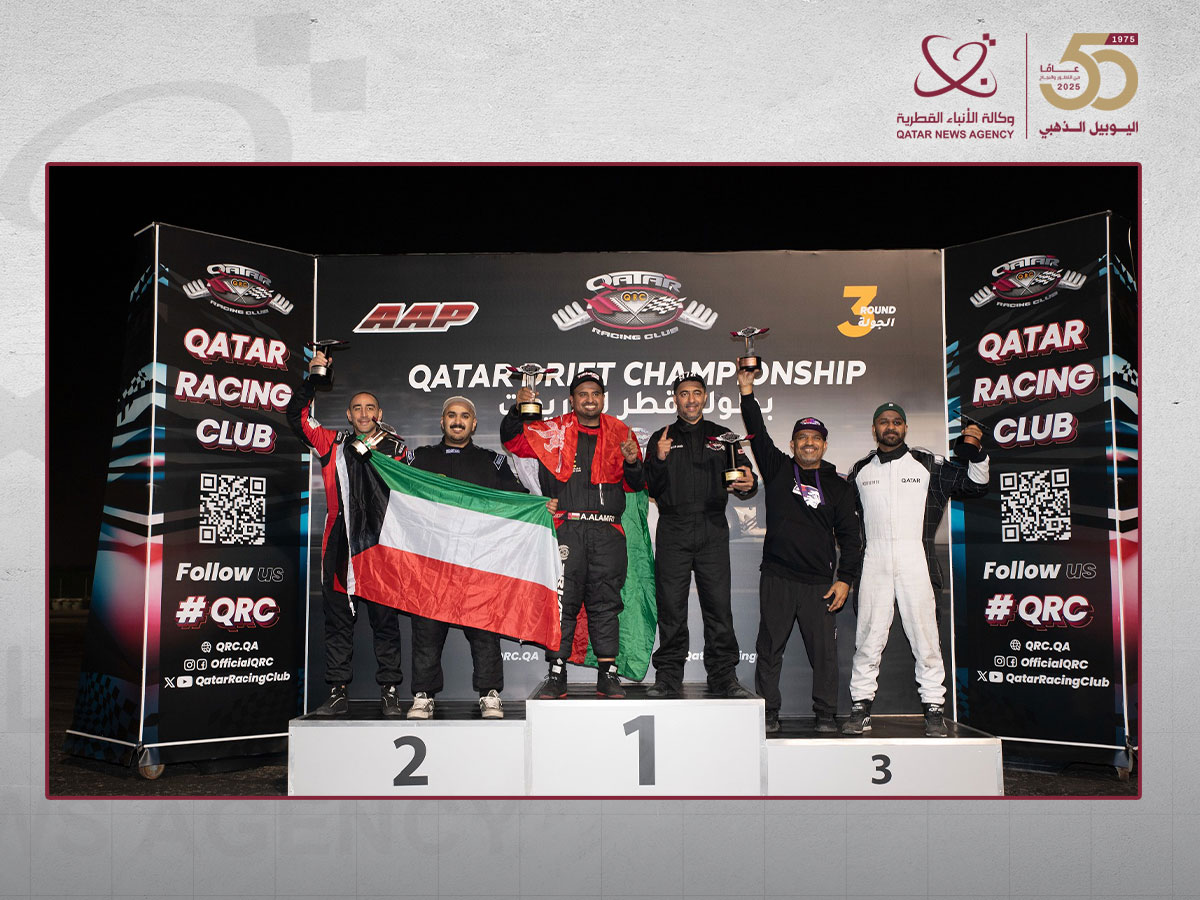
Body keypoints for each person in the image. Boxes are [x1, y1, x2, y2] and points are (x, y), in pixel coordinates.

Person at [842, 402, 989, 737]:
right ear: (874, 429)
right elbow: (842, 518)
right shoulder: (860, 470)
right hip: (874, 560)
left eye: (897, 422)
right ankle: (860, 706)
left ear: (905, 428)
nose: (890, 427)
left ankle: (934, 708)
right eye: (883, 422)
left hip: (917, 560)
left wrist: (977, 450)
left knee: (926, 639)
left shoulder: (929, 464)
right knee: (867, 638)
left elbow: (976, 485)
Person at [285, 348, 414, 718]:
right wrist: (313, 379)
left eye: (370, 408)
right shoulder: (332, 442)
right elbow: (296, 417)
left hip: (381, 544)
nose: (363, 413)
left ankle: (390, 691)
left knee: (385, 623)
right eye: (357, 408)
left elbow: (413, 492)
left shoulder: (397, 448)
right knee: (338, 622)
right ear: (348, 414)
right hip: (339, 544)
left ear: (379, 414)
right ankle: (338, 691)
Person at [501, 370, 644, 698]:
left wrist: (634, 463)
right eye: (583, 394)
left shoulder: (621, 432)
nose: (589, 399)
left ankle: (608, 675)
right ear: (572, 399)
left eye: (595, 393)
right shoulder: (554, 430)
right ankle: (556, 674)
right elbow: (513, 441)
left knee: (606, 603)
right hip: (567, 529)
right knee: (562, 603)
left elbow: (636, 484)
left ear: (603, 398)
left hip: (607, 531)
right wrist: (516, 410)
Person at [738, 367, 862, 734]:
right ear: (792, 445)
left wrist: (845, 580)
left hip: (819, 584)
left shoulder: (839, 487)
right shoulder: (778, 469)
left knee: (824, 655)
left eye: (815, 439)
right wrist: (747, 391)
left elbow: (851, 538)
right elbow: (757, 430)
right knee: (769, 649)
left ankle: (825, 714)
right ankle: (768, 713)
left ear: (824, 445)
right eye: (802, 438)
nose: (808, 443)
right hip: (777, 576)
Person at [407, 396, 529, 721]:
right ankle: (423, 695)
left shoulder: (493, 462)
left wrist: (539, 507)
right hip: (433, 563)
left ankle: (489, 694)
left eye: (464, 416)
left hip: (477, 563)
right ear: (442, 421)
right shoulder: (420, 459)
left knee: (485, 634)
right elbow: (397, 494)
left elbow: (518, 501)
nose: (457, 421)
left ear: (474, 424)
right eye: (451, 415)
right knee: (426, 633)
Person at [644, 373, 757, 699]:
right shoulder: (661, 437)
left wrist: (748, 483)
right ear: (675, 399)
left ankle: (724, 677)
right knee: (671, 608)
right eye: (684, 394)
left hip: (712, 527)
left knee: (718, 606)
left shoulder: (723, 436)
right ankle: (667, 677)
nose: (691, 399)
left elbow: (744, 481)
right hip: (673, 527)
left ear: (705, 397)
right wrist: (659, 459)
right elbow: (649, 486)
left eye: (696, 393)